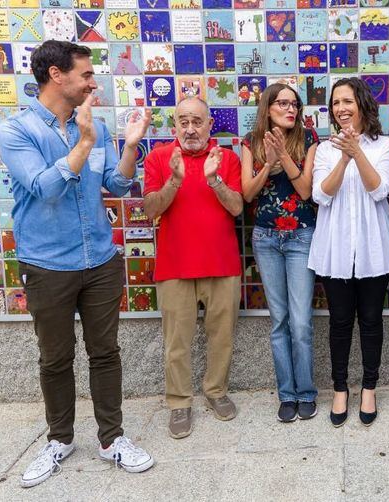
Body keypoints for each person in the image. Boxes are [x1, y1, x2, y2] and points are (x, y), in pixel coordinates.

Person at [0, 40, 154, 487]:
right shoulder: (18, 131)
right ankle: (59, 439)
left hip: (100, 260)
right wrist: (85, 141)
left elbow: (118, 187)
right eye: (85, 75)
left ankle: (112, 439)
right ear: (56, 76)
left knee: (106, 353)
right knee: (56, 357)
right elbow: (45, 188)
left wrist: (129, 147)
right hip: (47, 264)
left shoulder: (97, 127)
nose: (92, 82)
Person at [143, 97, 244, 439]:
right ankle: (178, 402)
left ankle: (216, 391)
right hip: (174, 266)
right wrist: (174, 180)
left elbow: (236, 208)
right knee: (177, 342)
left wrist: (214, 180)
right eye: (183, 122)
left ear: (210, 124)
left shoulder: (226, 158)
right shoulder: (160, 158)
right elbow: (150, 210)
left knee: (222, 337)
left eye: (197, 121)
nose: (190, 129)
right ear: (174, 127)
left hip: (222, 263)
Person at [308, 77, 389, 427]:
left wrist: (357, 151)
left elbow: (380, 189)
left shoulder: (384, 145)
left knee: (372, 321)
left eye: (347, 101)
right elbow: (321, 195)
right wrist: (343, 159)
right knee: (340, 322)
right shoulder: (325, 149)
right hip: (335, 248)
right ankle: (340, 388)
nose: (341, 109)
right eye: (335, 103)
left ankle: (370, 387)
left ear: (362, 104)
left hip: (373, 246)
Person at [240, 83, 320, 423]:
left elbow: (305, 191)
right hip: (266, 238)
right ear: (267, 108)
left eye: (295, 104)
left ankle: (307, 392)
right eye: (282, 103)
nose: (291, 109)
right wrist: (266, 163)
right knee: (280, 321)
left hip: (302, 235)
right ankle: (286, 394)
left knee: (301, 323)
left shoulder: (309, 138)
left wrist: (284, 157)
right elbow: (246, 194)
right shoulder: (251, 142)